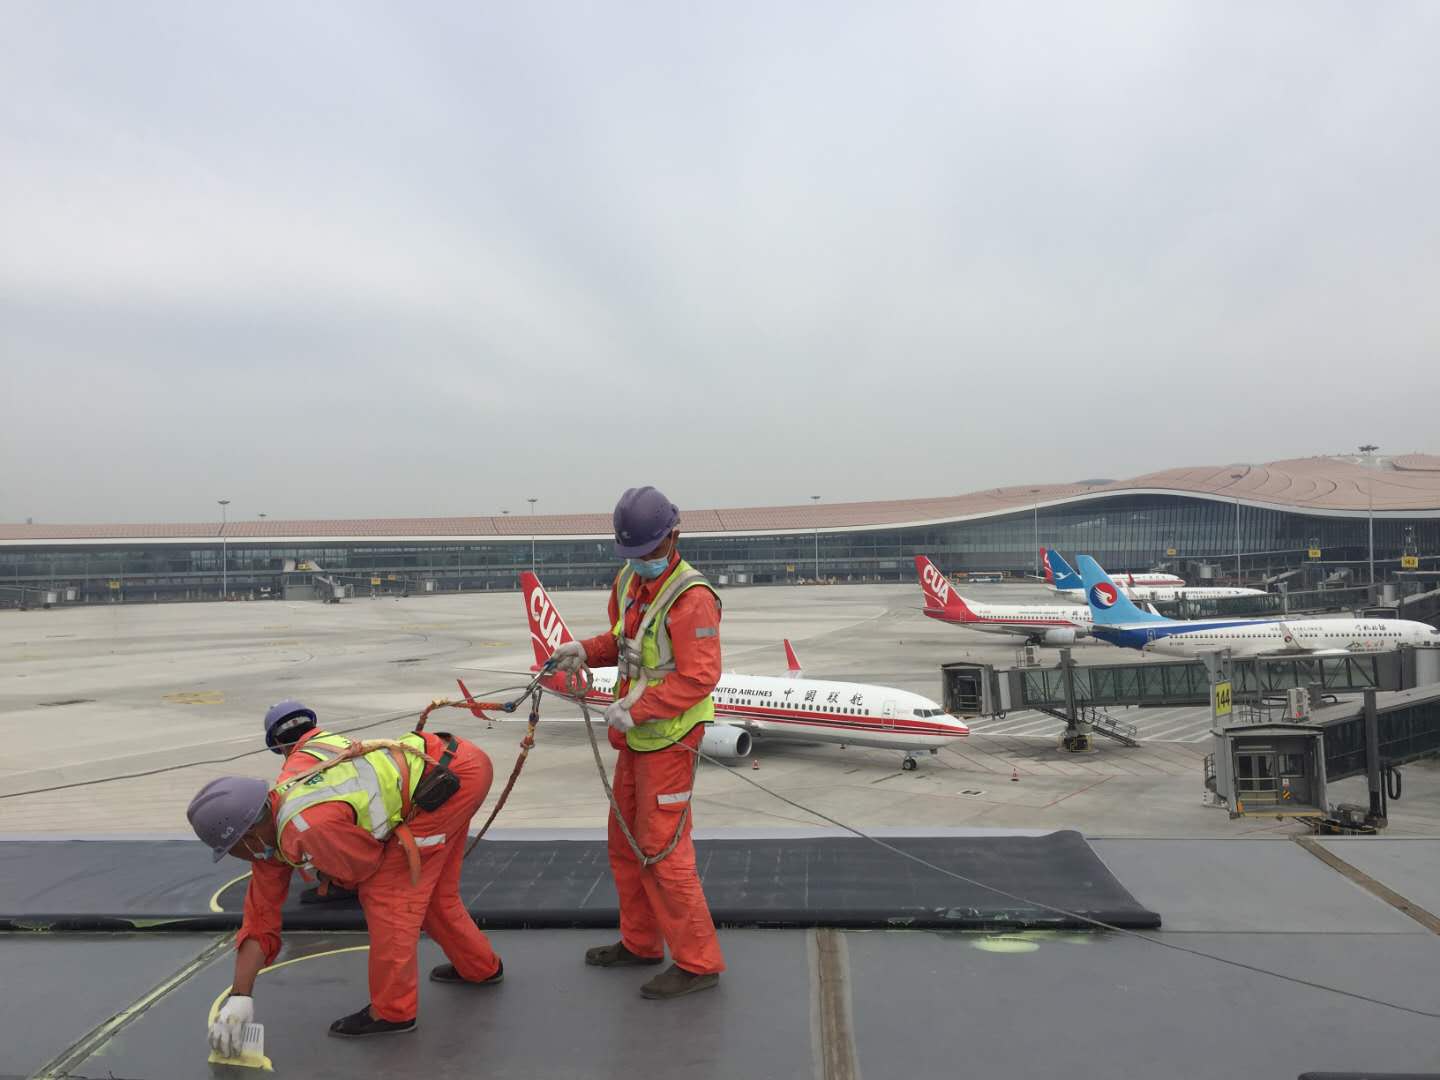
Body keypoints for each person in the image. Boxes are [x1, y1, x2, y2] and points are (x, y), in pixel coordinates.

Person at [188, 722, 503, 1048]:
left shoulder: (309, 827)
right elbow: (260, 918)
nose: (236, 857)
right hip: (454, 763)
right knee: (434, 896)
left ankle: (393, 1013)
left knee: (389, 897)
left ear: (247, 837)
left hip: (445, 784)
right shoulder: (276, 808)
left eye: (231, 850)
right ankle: (480, 967)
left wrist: (327, 870)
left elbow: (364, 867)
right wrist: (240, 996)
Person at [550, 485, 726, 999]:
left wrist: (638, 709)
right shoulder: (629, 578)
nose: (640, 559)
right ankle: (641, 942)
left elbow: (699, 678)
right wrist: (586, 649)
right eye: (633, 551)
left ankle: (698, 963)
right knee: (626, 844)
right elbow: (623, 640)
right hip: (635, 738)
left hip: (670, 741)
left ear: (674, 537)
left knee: (664, 851)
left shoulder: (692, 599)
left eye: (648, 550)